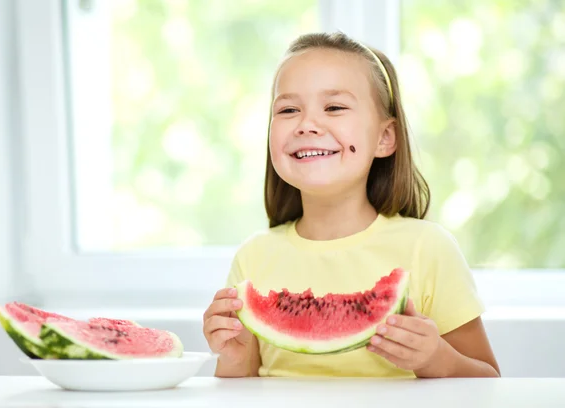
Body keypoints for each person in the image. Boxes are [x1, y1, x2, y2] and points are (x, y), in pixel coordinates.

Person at [202, 31, 500, 378]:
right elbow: (244, 387)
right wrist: (233, 356)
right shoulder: (254, 257)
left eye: (334, 107)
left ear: (385, 137)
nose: (307, 124)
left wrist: (435, 358)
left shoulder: (427, 249)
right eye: (288, 109)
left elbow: (488, 381)